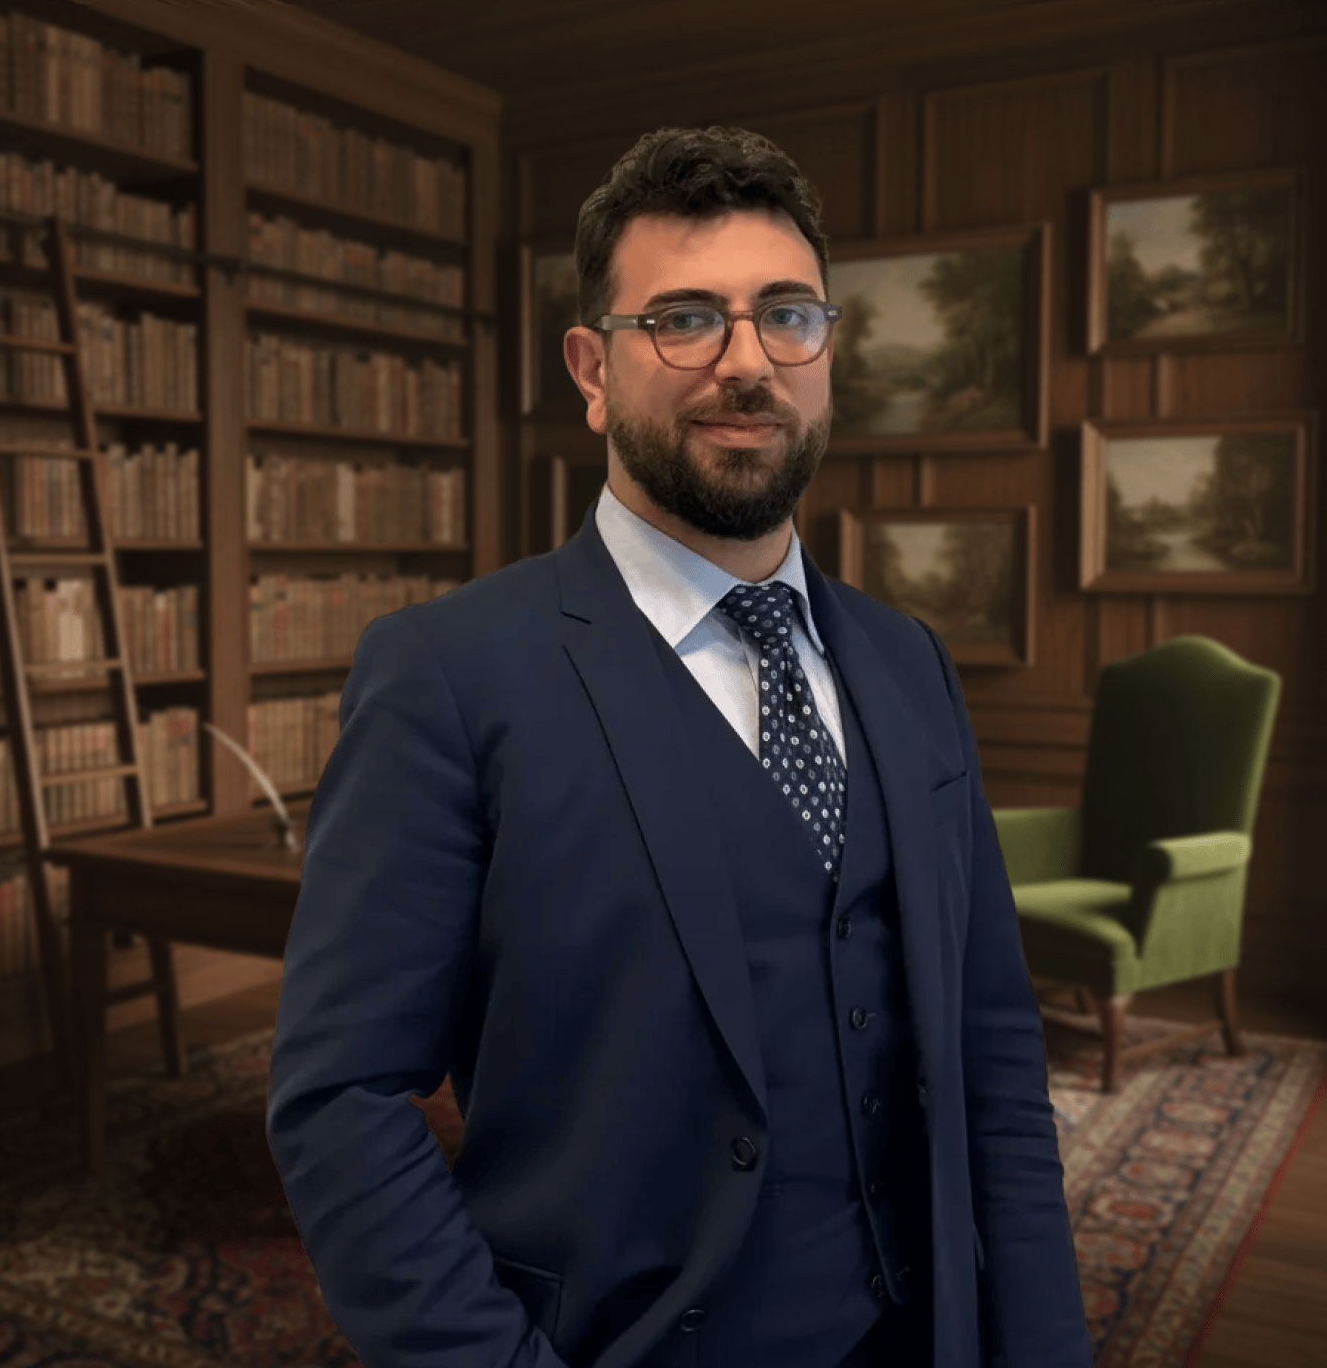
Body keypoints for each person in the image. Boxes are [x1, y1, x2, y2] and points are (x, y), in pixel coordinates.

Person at [265, 125, 1093, 1368]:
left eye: (786, 317)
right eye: (686, 318)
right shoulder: (446, 670)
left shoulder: (908, 662)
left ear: (826, 354)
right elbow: (341, 1104)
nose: (745, 360)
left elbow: (991, 1051)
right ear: (592, 369)